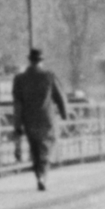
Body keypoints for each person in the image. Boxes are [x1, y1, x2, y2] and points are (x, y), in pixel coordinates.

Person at [12, 47, 69, 191]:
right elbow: (60, 97)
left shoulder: (19, 79)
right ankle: (43, 176)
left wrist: (17, 125)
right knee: (46, 148)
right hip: (47, 120)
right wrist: (64, 114)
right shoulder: (49, 76)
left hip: (29, 120)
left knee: (35, 149)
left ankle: (38, 175)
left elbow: (17, 104)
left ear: (29, 60)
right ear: (41, 61)